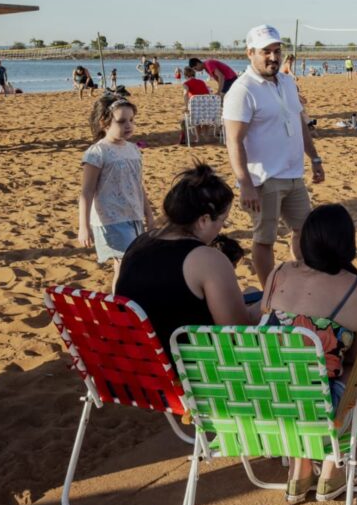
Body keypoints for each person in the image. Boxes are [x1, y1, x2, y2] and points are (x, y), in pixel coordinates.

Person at [259, 204, 357, 502]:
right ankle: (330, 469)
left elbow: (266, 317)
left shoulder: (278, 272)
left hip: (266, 402)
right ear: (347, 243)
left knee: (290, 367)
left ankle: (299, 471)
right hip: (319, 409)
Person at [116, 164, 259, 360]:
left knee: (250, 293)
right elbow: (237, 333)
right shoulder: (207, 259)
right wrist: (268, 304)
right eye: (222, 222)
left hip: (141, 366)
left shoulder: (138, 243)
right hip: (190, 371)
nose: (221, 229)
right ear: (204, 220)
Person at [224, 25, 324, 286]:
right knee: (264, 238)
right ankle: (270, 292)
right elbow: (233, 140)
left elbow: (299, 122)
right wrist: (245, 183)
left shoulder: (287, 81)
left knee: (305, 232)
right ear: (250, 53)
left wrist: (314, 158)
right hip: (264, 179)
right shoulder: (242, 90)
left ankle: (301, 281)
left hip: (294, 175)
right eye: (265, 51)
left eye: (277, 51)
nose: (273, 57)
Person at [78, 96, 155, 290]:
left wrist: (149, 214)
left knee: (126, 264)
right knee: (125, 264)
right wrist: (83, 226)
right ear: (104, 123)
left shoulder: (133, 150)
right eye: (121, 121)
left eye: (131, 120)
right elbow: (86, 192)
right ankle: (120, 305)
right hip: (111, 219)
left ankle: (122, 303)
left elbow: (138, 185)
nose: (128, 125)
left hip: (133, 215)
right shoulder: (97, 152)